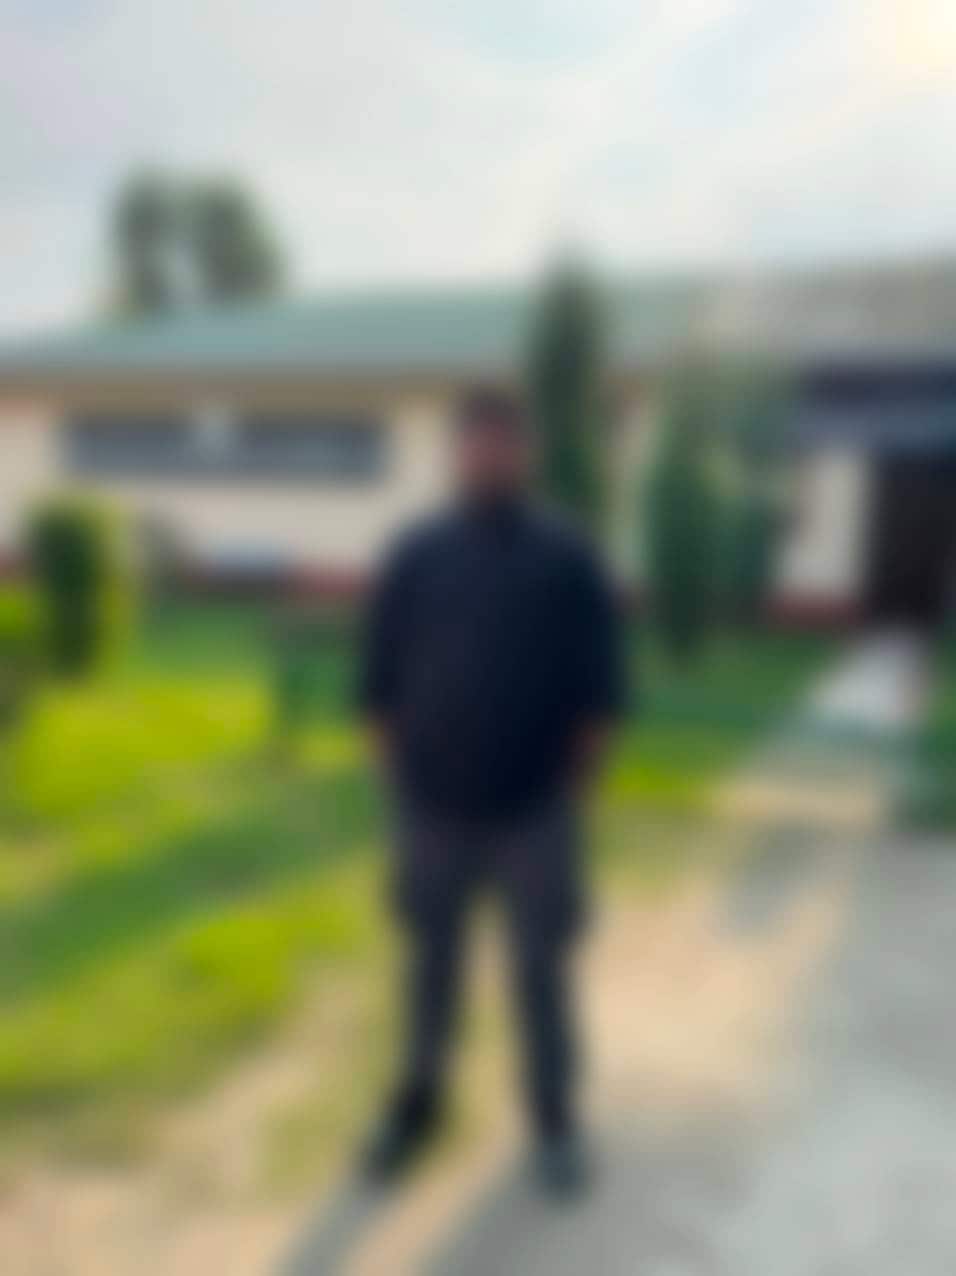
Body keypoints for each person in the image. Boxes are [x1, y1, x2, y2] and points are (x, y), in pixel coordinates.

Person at [357, 385, 625, 1196]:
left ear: (526, 452)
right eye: (476, 441)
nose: (489, 454)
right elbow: (377, 687)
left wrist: (566, 793)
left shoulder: (569, 557)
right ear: (457, 452)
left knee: (541, 973)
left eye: (505, 441)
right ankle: (419, 1104)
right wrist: (405, 789)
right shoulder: (415, 552)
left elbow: (600, 696)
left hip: (534, 814)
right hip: (432, 812)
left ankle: (554, 1121)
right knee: (429, 968)